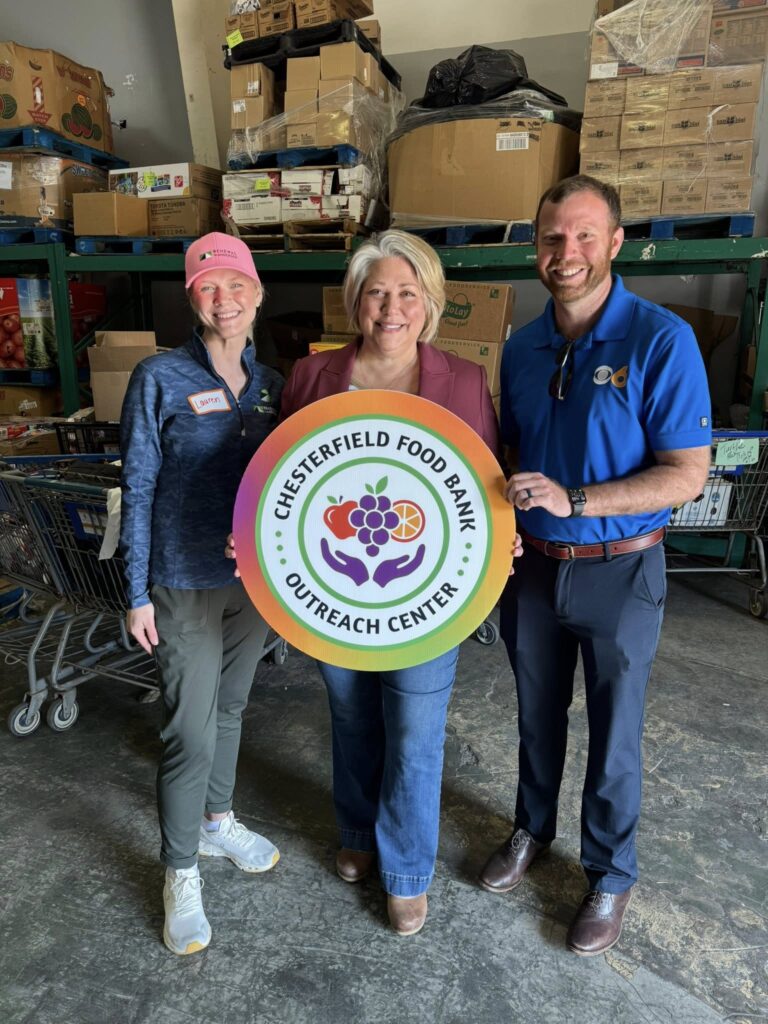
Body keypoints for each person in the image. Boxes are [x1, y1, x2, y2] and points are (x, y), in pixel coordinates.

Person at [229, 229, 513, 936]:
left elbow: (485, 485)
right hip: (332, 588)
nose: (392, 307)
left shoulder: (465, 381)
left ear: (430, 304)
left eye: (407, 293)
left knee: (415, 731)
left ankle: (408, 870)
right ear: (355, 302)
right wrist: (253, 539)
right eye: (377, 292)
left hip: (429, 593)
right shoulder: (312, 376)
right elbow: (278, 483)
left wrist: (500, 546)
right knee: (352, 716)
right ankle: (357, 832)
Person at [478, 176, 712, 956]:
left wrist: (578, 500)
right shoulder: (521, 348)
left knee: (615, 731)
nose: (565, 254)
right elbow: (505, 456)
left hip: (622, 568)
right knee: (535, 715)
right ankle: (530, 831)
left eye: (583, 237)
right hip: (535, 571)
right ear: (534, 248)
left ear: (616, 243)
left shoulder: (660, 340)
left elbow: (687, 473)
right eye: (551, 239)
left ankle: (611, 874)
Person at [120, 232, 284, 956]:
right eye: (208, 286)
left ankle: (217, 823)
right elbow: (141, 484)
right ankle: (179, 871)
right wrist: (136, 592)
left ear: (256, 293)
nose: (225, 298)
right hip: (181, 582)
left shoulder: (274, 385)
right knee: (188, 728)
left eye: (236, 284)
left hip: (249, 583)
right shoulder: (159, 376)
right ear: (192, 298)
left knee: (232, 707)